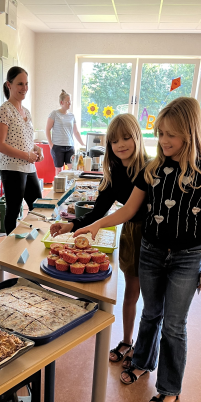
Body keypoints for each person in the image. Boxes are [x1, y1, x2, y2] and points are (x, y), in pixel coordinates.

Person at [74, 97, 201, 402]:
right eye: (160, 134)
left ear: (189, 132)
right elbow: (129, 209)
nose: (164, 141)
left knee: (174, 325)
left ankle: (169, 388)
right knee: (151, 313)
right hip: (151, 251)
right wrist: (96, 225)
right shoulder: (152, 168)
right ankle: (142, 362)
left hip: (187, 257)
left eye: (171, 134)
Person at [50, 113, 148, 368]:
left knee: (153, 300)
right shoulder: (114, 173)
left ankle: (145, 351)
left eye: (126, 138)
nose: (121, 145)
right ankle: (127, 340)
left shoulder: (150, 168)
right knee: (131, 291)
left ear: (137, 137)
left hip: (155, 238)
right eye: (114, 141)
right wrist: (70, 225)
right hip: (131, 234)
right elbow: (97, 212)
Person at [0, 66, 44, 235]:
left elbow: (27, 140)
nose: (24, 88)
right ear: (9, 85)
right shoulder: (4, 110)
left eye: (26, 84)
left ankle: (35, 242)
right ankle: (9, 248)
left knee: (38, 207)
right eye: (20, 84)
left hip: (28, 167)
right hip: (12, 168)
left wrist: (37, 149)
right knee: (14, 211)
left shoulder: (26, 112)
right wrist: (27, 155)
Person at [46, 89, 85, 175]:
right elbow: (47, 129)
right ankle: (58, 184)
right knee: (59, 170)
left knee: (72, 169)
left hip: (70, 146)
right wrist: (51, 144)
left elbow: (76, 132)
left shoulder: (72, 116)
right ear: (61, 102)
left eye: (70, 101)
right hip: (57, 146)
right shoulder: (54, 114)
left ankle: (70, 184)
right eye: (67, 101)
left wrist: (83, 144)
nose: (69, 103)